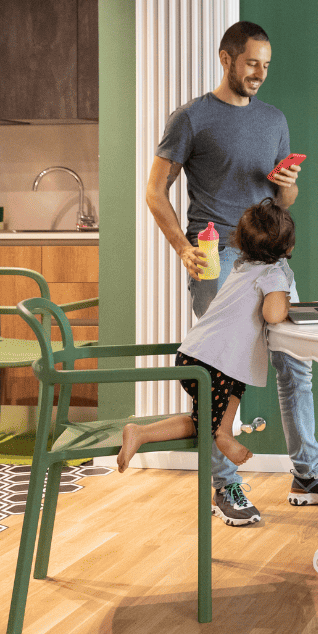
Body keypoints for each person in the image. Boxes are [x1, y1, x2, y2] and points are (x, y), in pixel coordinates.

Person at [145, 20, 318, 527]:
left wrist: (288, 186)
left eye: (266, 66)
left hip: (270, 259)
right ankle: (226, 485)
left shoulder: (274, 119)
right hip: (217, 254)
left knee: (296, 366)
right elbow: (156, 192)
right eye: (251, 64)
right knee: (220, 369)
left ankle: (307, 474)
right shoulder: (191, 119)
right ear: (226, 59)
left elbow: (284, 200)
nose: (259, 74)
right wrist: (182, 249)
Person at [116, 200, 296, 475]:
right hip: (212, 364)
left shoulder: (241, 266)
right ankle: (150, 433)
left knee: (230, 394)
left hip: (200, 356)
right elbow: (273, 314)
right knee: (207, 425)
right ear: (288, 248)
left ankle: (213, 432)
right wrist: (284, 296)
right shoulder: (273, 274)